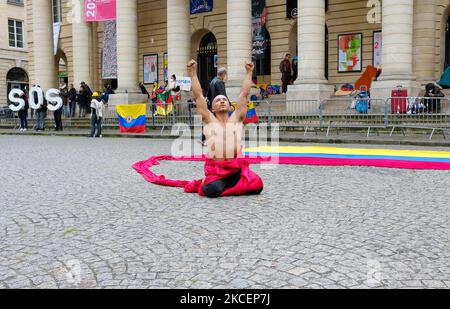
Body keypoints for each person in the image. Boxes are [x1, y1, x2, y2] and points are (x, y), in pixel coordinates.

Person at [186, 59, 264, 198]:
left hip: (236, 169)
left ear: (229, 105)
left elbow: (244, 94)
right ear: (212, 107)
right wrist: (192, 73)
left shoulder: (237, 118)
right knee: (212, 190)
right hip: (217, 170)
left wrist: (249, 72)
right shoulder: (208, 119)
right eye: (217, 100)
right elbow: (198, 96)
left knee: (258, 185)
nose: (222, 101)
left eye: (224, 99)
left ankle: (231, 184)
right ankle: (216, 184)